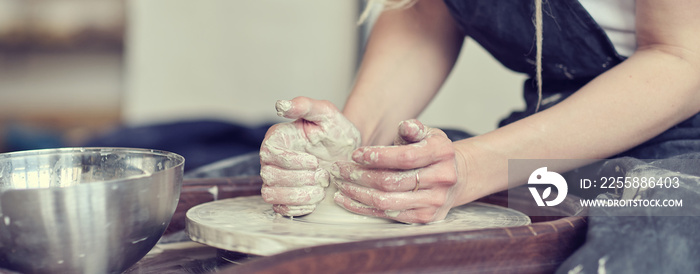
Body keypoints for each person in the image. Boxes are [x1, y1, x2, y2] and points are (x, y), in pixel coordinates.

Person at [259, 0, 700, 272]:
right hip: (561, 126)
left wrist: (473, 167)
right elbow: (427, 11)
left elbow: (683, 57)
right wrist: (350, 146)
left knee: (647, 257)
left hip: (685, 132)